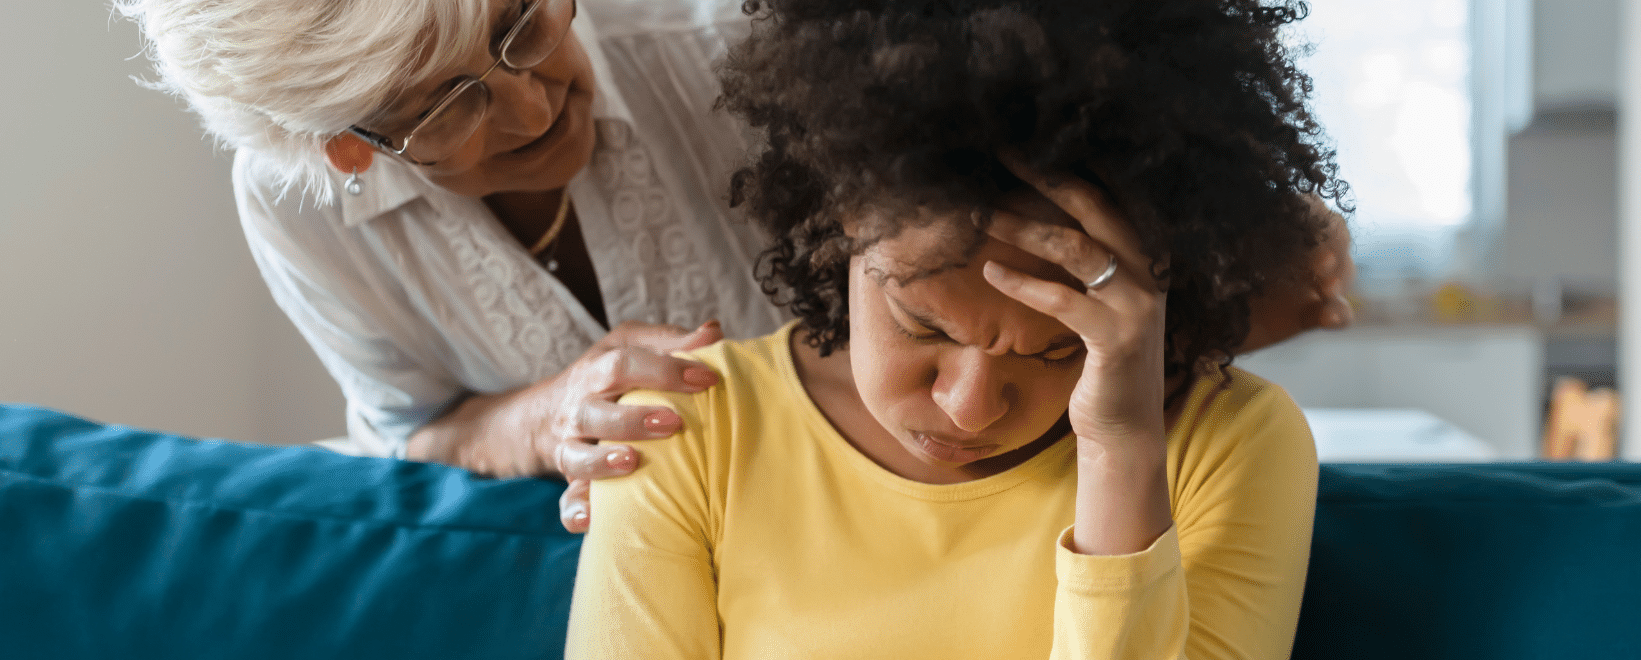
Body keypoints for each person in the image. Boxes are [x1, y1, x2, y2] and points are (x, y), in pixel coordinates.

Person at [115, 0, 1350, 533]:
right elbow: (415, 434)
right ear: (347, 146)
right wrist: (546, 417)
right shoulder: (298, 208)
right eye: (448, 101)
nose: (537, 86)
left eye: (518, 20)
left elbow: (1279, 258)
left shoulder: (731, 45)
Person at [565, 0, 1348, 657]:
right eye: (921, 324)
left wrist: (1120, 452)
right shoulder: (684, 423)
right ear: (843, 216)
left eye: (1056, 348)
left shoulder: (1233, 445)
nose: (969, 408)